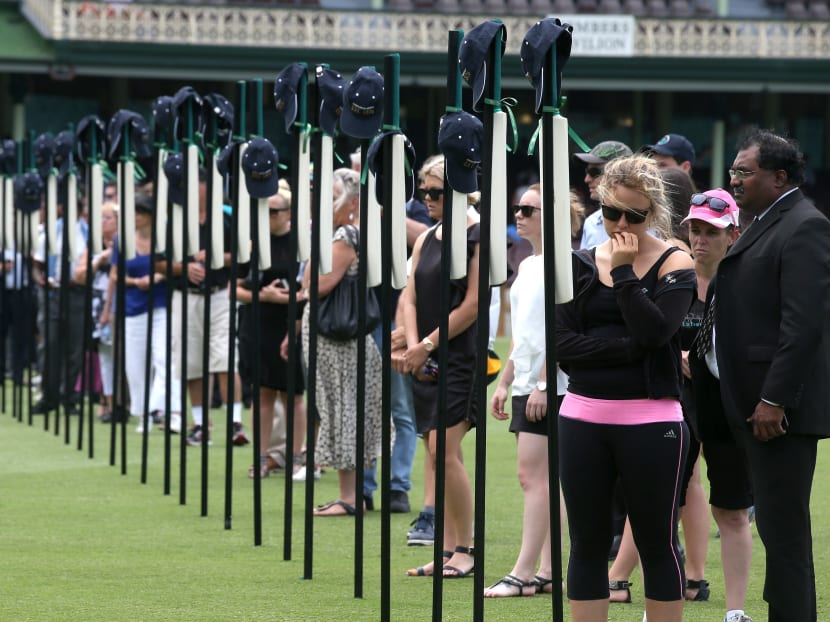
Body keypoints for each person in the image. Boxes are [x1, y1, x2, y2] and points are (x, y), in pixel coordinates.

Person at [556, 154, 696, 622]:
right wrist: (629, 348)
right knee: (588, 543)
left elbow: (657, 334)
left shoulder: (676, 261)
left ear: (652, 213)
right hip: (582, 417)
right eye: (611, 212)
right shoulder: (576, 263)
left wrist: (622, 274)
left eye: (633, 216)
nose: (620, 224)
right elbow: (563, 345)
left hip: (651, 419)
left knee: (657, 542)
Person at [704, 129, 830, 622]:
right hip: (749, 402)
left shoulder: (804, 226)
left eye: (743, 172)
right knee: (777, 532)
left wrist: (775, 399)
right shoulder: (765, 221)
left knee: (785, 534)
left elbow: (803, 326)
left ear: (779, 177)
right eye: (733, 170)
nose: (734, 179)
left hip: (778, 412)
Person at [393, 154, 479, 579]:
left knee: (443, 450)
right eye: (423, 191)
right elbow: (408, 295)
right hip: (425, 356)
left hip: (460, 357)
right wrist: (412, 345)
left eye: (436, 192)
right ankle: (447, 547)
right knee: (436, 450)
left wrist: (425, 344)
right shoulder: (428, 237)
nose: (427, 199)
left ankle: (465, 548)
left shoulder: (477, 236)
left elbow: (473, 304)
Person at [683, 189, 754, 622]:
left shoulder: (746, 283)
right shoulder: (672, 277)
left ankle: (735, 611)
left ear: (733, 234)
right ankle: (662, 602)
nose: (701, 239)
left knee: (730, 508)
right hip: (674, 402)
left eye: (712, 231)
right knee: (661, 504)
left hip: (728, 404)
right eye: (695, 229)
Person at [485, 184, 558, 597]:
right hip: (528, 381)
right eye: (517, 208)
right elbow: (525, 333)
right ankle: (544, 568)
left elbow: (561, 328)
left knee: (533, 476)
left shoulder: (562, 264)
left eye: (528, 209)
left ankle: (525, 570)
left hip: (549, 384)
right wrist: (506, 378)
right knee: (541, 478)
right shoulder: (529, 263)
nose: (519, 214)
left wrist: (545, 383)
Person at [303, 167, 383, 516]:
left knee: (341, 411)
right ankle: (349, 494)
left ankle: (349, 497)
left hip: (337, 341)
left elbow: (315, 285)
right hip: (336, 339)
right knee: (340, 410)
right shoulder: (345, 234)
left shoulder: (345, 235)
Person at [157, 171, 248, 446]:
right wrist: (183, 267)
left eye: (196, 182)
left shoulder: (228, 216)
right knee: (190, 360)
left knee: (224, 356)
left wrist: (219, 257)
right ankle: (200, 423)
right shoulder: (176, 220)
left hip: (220, 294)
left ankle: (235, 422)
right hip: (185, 296)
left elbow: (247, 254)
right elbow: (159, 262)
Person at [236, 182, 306, 478]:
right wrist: (261, 296)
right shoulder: (252, 243)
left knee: (294, 394)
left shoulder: (301, 244)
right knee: (262, 391)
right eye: (264, 211)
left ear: (288, 213)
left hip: (292, 322)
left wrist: (285, 299)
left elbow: (310, 288)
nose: (268, 216)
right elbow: (235, 288)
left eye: (274, 211)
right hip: (258, 321)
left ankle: (295, 456)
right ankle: (261, 456)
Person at [107, 193, 179, 432]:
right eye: (133, 212)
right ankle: (143, 413)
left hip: (162, 304)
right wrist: (136, 282)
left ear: (150, 216)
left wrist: (158, 276)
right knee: (135, 366)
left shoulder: (165, 238)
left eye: (140, 212)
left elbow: (175, 267)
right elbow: (115, 274)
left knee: (164, 359)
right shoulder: (123, 239)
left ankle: (165, 409)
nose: (136, 217)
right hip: (133, 306)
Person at [74, 201, 118, 422]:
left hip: (124, 304)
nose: (102, 223)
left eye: (108, 218)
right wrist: (100, 257)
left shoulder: (128, 244)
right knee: (105, 357)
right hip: (98, 306)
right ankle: (108, 401)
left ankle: (125, 402)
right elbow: (79, 276)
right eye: (100, 218)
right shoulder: (94, 246)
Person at [575, 140, 633, 250]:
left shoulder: (651, 221)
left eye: (594, 172)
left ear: (620, 173)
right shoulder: (591, 223)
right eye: (587, 172)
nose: (587, 179)